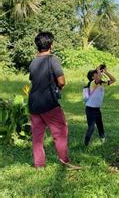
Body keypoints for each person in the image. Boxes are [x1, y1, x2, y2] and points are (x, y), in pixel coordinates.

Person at [28, 32, 70, 168]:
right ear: (51, 45)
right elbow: (62, 81)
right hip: (49, 103)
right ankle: (64, 160)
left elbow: (34, 80)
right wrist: (59, 87)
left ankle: (39, 164)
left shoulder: (33, 62)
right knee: (60, 132)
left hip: (33, 103)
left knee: (37, 136)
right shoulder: (53, 59)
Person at [82, 65, 116, 146]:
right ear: (92, 77)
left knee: (100, 125)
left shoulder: (102, 84)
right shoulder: (92, 83)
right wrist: (98, 69)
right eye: (96, 74)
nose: (98, 74)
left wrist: (106, 72)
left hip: (97, 109)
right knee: (92, 127)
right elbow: (98, 79)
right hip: (90, 109)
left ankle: (103, 139)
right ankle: (86, 143)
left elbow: (113, 80)